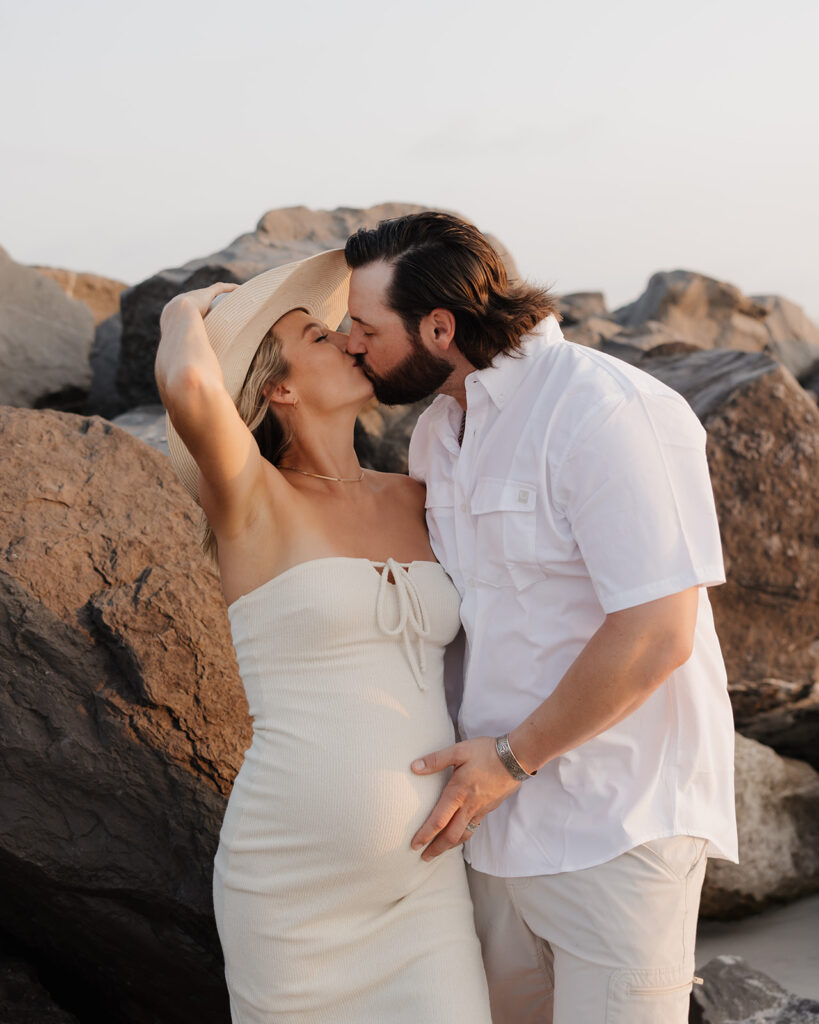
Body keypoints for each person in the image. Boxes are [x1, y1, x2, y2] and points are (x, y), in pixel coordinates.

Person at [343, 212, 739, 1024]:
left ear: (439, 327)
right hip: (488, 836)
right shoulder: (436, 437)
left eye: (363, 325)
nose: (350, 342)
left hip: (616, 828)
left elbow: (658, 632)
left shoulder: (608, 410)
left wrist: (508, 762)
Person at [155, 250, 492, 1023]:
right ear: (277, 387)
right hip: (292, 885)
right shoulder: (250, 500)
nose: (348, 342)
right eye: (317, 337)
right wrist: (191, 308)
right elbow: (187, 385)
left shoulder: (421, 496)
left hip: (422, 882)